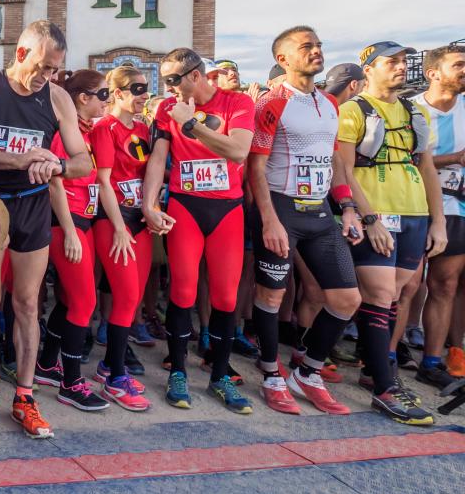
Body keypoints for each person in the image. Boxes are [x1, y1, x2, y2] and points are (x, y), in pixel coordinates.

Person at [0, 20, 89, 439]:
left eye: (55, 70)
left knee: (28, 303)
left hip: (32, 208)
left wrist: (56, 165)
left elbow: (83, 162)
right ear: (20, 55)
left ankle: (26, 396)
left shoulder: (57, 99)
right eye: (44, 68)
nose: (48, 77)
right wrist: (19, 160)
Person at [248, 26, 363, 416]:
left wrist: (347, 207)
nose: (315, 51)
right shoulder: (272, 101)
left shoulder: (329, 103)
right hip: (281, 207)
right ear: (283, 59)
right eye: (306, 47)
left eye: (318, 45)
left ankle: (308, 372)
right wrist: (268, 220)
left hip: (319, 210)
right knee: (271, 295)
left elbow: (334, 161)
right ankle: (270, 373)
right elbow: (256, 166)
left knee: (348, 299)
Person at [337, 41, 446, 425]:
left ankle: (374, 368)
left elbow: (428, 168)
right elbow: (344, 170)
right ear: (369, 68)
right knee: (380, 293)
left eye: (403, 61)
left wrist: (439, 221)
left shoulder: (416, 112)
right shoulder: (352, 110)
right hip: (378, 211)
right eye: (392, 62)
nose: (401, 68)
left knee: (397, 293)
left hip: (415, 211)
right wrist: (369, 219)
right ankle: (385, 387)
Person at [143, 47, 255, 413]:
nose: (169, 88)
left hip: (226, 208)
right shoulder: (166, 109)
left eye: (174, 80)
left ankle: (220, 375)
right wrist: (149, 204)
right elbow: (158, 159)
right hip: (185, 206)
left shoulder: (236, 102)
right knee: (183, 290)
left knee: (225, 297)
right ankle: (178, 371)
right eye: (165, 82)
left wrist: (191, 124)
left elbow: (239, 152)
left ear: (195, 75)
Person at [37, 70, 110, 413]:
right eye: (103, 94)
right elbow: (54, 181)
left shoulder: (85, 131)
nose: (106, 101)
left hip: (82, 220)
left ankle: (48, 365)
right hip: (66, 223)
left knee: (70, 300)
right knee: (83, 303)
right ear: (83, 98)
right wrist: (68, 231)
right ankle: (71, 383)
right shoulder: (63, 133)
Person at [90, 65, 156, 410]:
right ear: (116, 93)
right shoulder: (104, 128)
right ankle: (115, 378)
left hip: (139, 219)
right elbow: (103, 180)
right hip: (114, 221)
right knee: (127, 295)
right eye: (136, 88)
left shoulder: (143, 127)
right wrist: (118, 226)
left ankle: (107, 367)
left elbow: (149, 174)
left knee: (133, 298)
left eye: (146, 87)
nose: (143, 94)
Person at [412, 45, 465, 388]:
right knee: (410, 285)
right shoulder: (412, 109)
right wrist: (456, 157)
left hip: (460, 205)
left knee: (451, 282)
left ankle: (446, 354)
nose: (464, 70)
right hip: (419, 204)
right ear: (433, 73)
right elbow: (411, 159)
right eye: (459, 65)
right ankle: (385, 354)